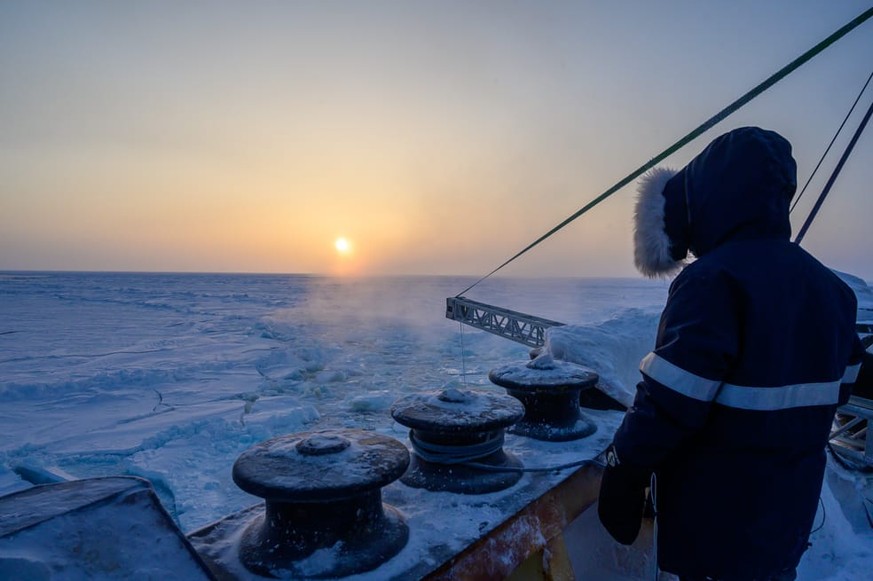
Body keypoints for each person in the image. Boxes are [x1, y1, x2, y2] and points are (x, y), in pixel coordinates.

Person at [597, 126, 865, 581]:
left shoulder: (711, 282)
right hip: (784, 528)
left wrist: (623, 468)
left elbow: (669, 401)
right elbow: (845, 381)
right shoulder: (832, 290)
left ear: (708, 203)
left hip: (715, 533)